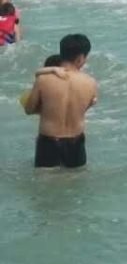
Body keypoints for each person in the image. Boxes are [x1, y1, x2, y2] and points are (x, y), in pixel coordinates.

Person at [23, 34, 97, 168]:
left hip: (48, 142)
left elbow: (29, 109)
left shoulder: (43, 80)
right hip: (76, 143)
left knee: (45, 179)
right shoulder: (90, 83)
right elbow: (85, 107)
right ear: (80, 58)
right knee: (76, 179)